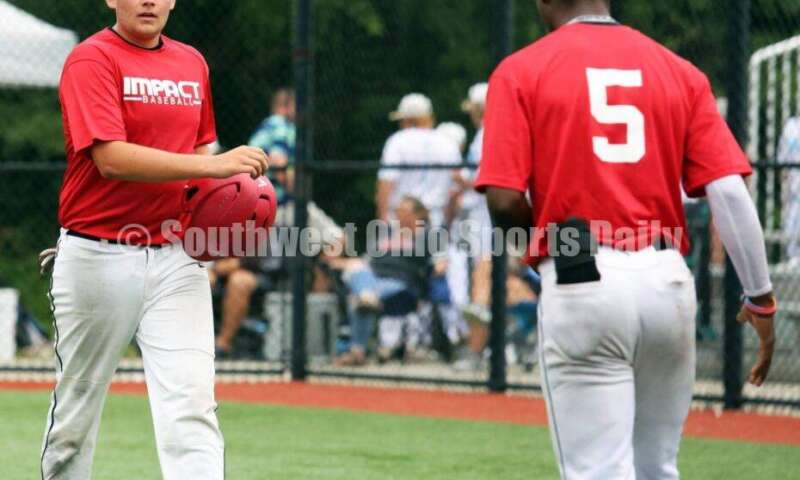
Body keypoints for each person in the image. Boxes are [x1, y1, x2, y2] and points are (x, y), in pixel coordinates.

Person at [476, 1, 777, 479]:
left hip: (583, 275)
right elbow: (729, 192)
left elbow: (505, 202)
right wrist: (760, 299)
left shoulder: (521, 69)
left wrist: (556, 261)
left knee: (598, 471)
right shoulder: (678, 70)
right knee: (657, 468)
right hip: (666, 280)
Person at [40, 1, 268, 478]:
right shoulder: (92, 59)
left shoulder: (191, 62)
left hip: (175, 256)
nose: (148, 0)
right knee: (75, 418)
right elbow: (112, 158)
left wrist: (234, 197)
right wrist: (215, 166)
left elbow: (202, 150)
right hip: (97, 255)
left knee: (191, 407)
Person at [336, 196, 446, 365]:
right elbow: (367, 261)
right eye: (397, 211)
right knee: (355, 266)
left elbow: (441, 265)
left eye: (403, 211)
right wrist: (341, 263)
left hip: (402, 284)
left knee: (358, 298)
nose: (398, 215)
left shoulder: (428, 235)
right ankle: (368, 297)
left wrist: (431, 271)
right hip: (374, 278)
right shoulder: (387, 233)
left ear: (417, 215)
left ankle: (357, 351)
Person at [376, 93, 462, 228]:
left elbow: (386, 183)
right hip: (437, 219)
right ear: (429, 117)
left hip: (401, 220)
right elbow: (455, 188)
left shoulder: (397, 141)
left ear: (407, 120)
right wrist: (448, 223)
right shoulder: (448, 143)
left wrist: (382, 219)